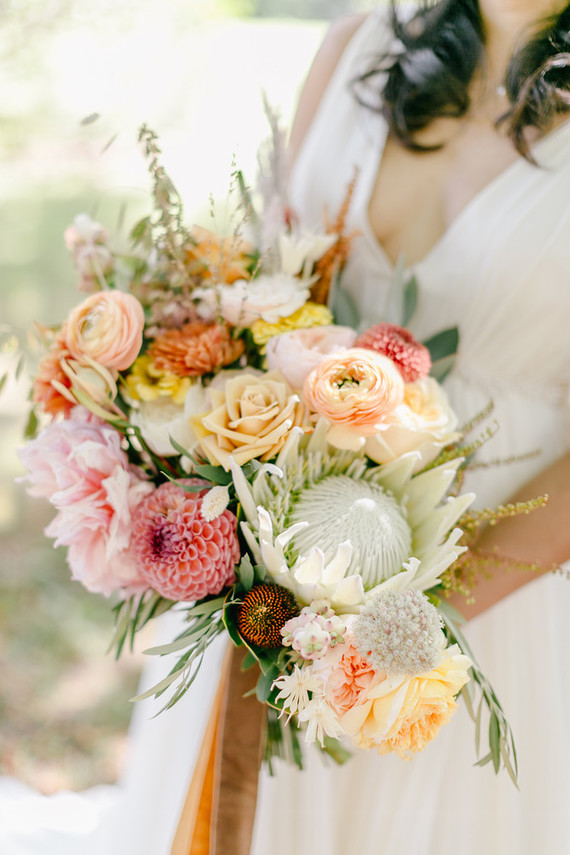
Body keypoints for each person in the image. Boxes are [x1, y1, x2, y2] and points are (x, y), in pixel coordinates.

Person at [247, 1, 570, 854]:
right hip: (273, 590)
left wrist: (413, 630)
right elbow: (257, 287)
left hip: (486, 616)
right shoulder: (356, 44)